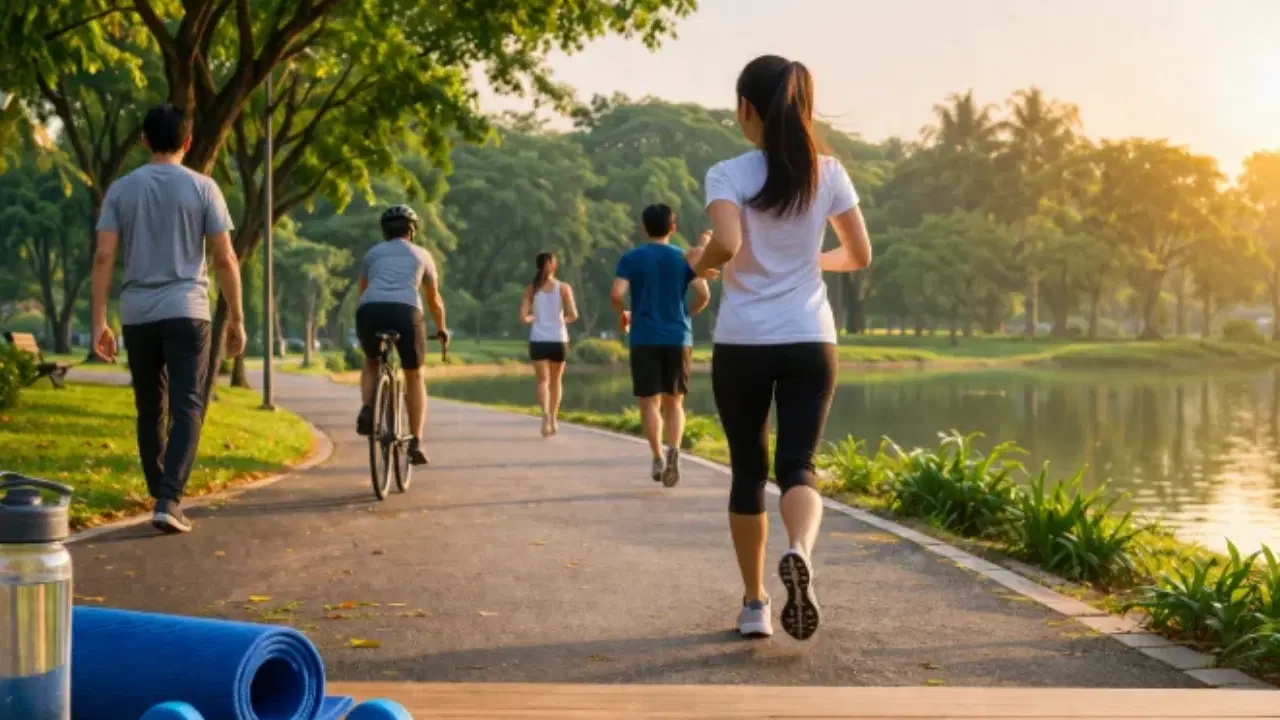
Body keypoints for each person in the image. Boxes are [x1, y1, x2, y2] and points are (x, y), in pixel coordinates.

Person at [688, 55, 873, 640]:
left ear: (746, 110)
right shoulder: (830, 172)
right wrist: (805, 262)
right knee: (800, 466)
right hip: (810, 337)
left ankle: (754, 605)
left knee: (748, 470)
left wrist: (702, 262)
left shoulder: (728, 173)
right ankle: (800, 551)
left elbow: (727, 240)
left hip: (744, 340)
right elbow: (860, 255)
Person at [91, 103, 246, 535]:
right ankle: (168, 500)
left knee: (149, 409)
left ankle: (162, 496)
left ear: (144, 140)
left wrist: (100, 321)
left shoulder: (122, 189)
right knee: (187, 407)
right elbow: (225, 257)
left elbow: (104, 255)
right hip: (187, 312)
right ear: (188, 142)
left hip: (138, 315)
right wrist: (236, 317)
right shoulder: (203, 187)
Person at [610, 205, 711, 487]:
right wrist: (687, 314)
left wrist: (623, 314)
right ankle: (674, 451)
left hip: (644, 337)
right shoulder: (684, 258)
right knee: (675, 400)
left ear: (644, 228)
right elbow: (703, 294)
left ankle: (656, 456)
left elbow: (617, 293)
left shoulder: (631, 257)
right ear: (672, 228)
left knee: (648, 403)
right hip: (678, 337)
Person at [354, 205, 449, 466]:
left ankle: (367, 409)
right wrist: (441, 328)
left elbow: (362, 290)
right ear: (412, 230)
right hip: (406, 312)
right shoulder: (423, 255)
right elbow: (434, 299)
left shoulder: (372, 254)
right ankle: (416, 440)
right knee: (414, 373)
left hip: (369, 311)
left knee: (372, 360)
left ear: (385, 231)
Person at [520, 252, 579, 436]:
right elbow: (574, 315)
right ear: (552, 266)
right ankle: (553, 418)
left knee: (542, 381)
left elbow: (523, 317)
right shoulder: (563, 288)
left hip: (538, 339)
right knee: (556, 381)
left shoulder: (531, 289)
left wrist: (533, 318)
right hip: (558, 339)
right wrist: (562, 320)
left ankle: (544, 416)